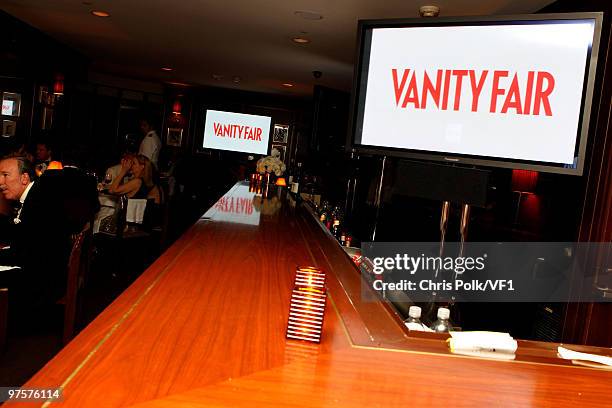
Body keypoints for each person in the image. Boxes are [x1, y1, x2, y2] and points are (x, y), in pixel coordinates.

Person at [0, 156, 72, 318]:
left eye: (5, 175)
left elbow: (24, 254)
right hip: (41, 269)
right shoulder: (36, 194)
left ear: (24, 178)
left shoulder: (39, 201)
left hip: (42, 281)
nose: (0, 182)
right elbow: (23, 237)